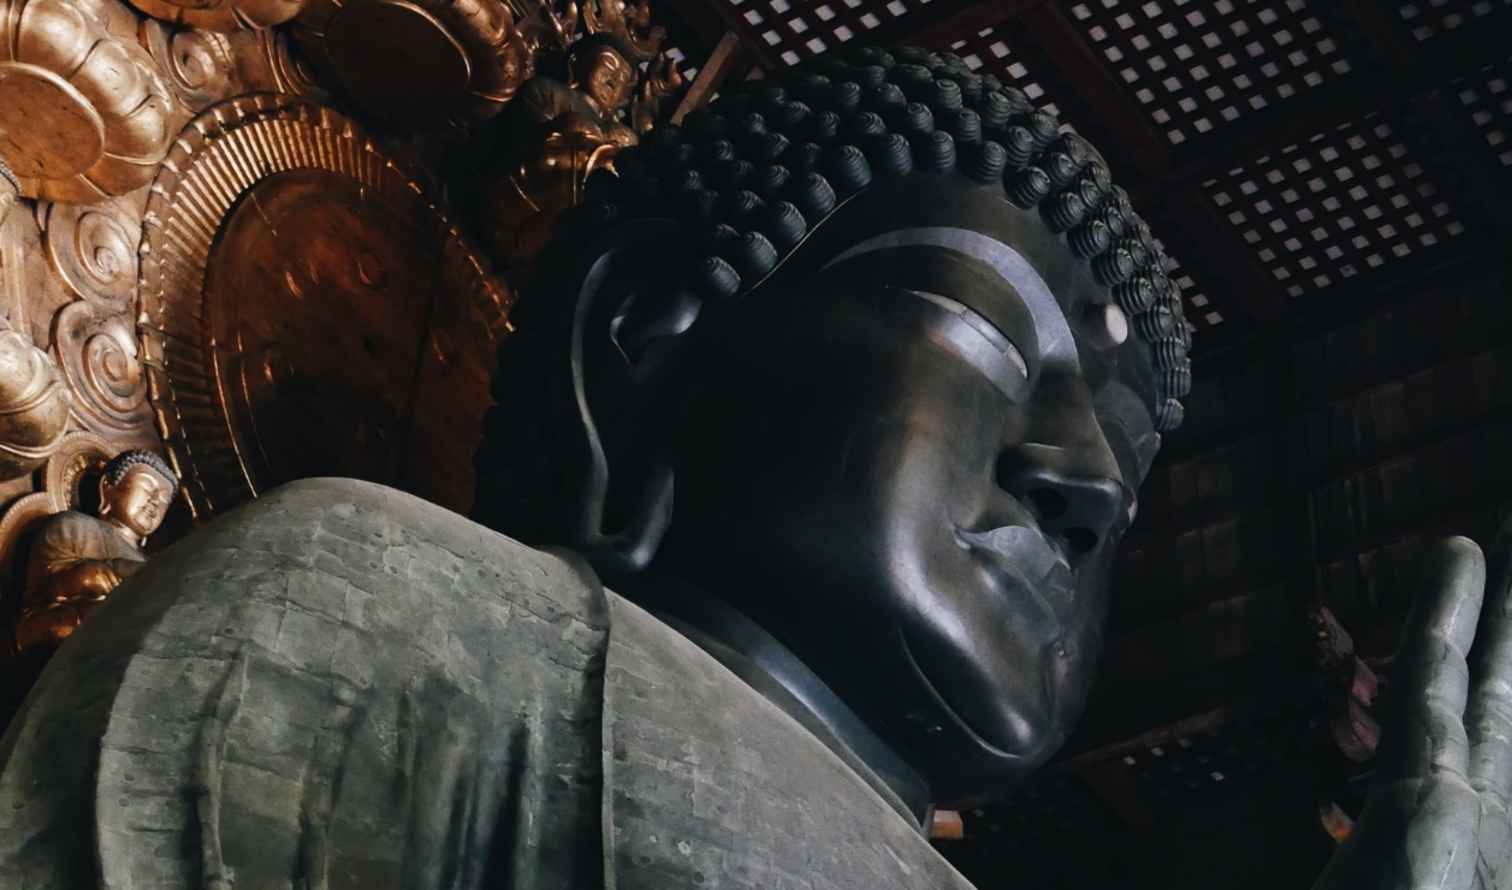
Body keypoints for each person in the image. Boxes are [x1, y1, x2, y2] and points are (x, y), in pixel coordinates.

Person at [3, 44, 1502, 890]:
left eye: (1124, 454)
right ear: (644, 337)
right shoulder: (401, 613)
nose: (1090, 485)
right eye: (1001, 348)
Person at [12, 449, 177, 656]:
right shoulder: (74, 527)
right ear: (108, 488)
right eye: (146, 487)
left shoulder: (155, 563)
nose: (154, 501)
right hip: (60, 634)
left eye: (163, 499)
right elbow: (47, 591)